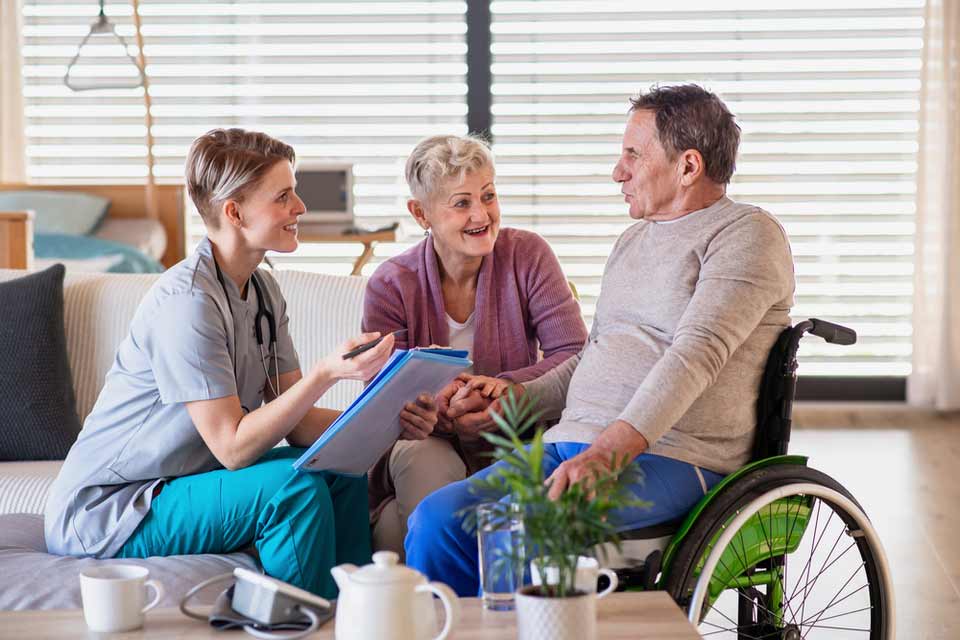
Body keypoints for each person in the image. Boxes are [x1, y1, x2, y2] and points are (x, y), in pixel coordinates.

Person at [405, 84, 797, 596]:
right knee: (436, 519)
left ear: (688, 166)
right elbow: (596, 357)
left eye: (634, 155)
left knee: (518, 531)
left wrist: (607, 453)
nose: (619, 171)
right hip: (574, 444)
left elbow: (695, 356)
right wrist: (513, 398)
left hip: (677, 456)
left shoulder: (746, 235)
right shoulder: (634, 239)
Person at [43, 128, 436, 599]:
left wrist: (391, 420)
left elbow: (300, 425)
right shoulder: (186, 302)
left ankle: (351, 615)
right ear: (234, 212)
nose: (300, 208)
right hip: (113, 507)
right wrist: (325, 373)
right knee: (291, 489)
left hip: (183, 484)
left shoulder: (263, 291)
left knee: (338, 470)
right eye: (284, 196)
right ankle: (303, 625)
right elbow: (232, 448)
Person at [363, 134, 588, 556]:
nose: (481, 214)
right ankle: (458, 605)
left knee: (396, 534)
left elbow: (575, 354)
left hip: (516, 437)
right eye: (462, 203)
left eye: (488, 196)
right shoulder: (391, 284)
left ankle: (457, 600)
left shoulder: (528, 255)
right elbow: (382, 391)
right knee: (423, 458)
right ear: (421, 213)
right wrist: (444, 404)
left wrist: (499, 391)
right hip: (430, 443)